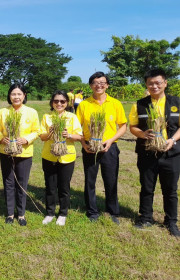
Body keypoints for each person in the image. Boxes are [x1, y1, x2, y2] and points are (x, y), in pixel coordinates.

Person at [129, 69, 180, 237]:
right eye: (150, 83)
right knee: (147, 187)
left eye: (158, 82)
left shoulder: (176, 102)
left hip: (170, 153)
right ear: (146, 84)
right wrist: (142, 134)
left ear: (165, 83)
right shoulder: (140, 104)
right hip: (147, 153)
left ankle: (171, 221)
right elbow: (133, 126)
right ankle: (146, 218)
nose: (154, 86)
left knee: (170, 189)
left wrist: (172, 140)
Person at [76, 72, 127, 224]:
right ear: (91, 85)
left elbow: (123, 126)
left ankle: (112, 211)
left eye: (102, 82)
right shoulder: (84, 104)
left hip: (109, 148)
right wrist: (84, 144)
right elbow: (76, 128)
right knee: (90, 180)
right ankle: (92, 211)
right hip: (90, 147)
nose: (99, 85)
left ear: (107, 85)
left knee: (111, 180)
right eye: (95, 83)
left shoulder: (115, 103)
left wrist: (111, 141)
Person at [0, 83, 40, 226]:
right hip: (6, 152)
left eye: (19, 94)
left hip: (24, 153)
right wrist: (2, 138)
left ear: (24, 95)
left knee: (22, 183)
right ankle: (9, 213)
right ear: (9, 96)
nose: (16, 97)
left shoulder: (31, 112)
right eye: (13, 94)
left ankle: (21, 214)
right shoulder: (3, 112)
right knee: (8, 182)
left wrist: (26, 139)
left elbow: (37, 130)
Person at [40, 91, 82, 226]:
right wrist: (50, 133)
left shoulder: (72, 117)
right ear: (52, 102)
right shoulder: (47, 117)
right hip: (49, 156)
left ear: (67, 103)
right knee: (50, 186)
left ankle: (63, 213)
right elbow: (42, 136)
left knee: (64, 186)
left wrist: (68, 135)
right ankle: (50, 212)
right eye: (56, 101)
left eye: (62, 101)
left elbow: (79, 136)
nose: (59, 103)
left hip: (67, 156)